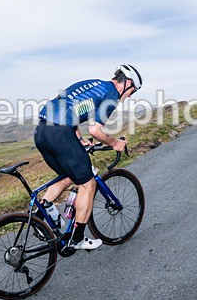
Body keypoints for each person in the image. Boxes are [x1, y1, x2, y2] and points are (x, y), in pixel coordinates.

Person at [34, 64, 142, 250]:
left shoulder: (93, 84)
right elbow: (96, 130)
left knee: (67, 176)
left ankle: (41, 213)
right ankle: (77, 239)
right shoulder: (111, 96)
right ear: (128, 83)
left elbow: (70, 108)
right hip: (60, 134)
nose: (131, 95)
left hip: (42, 132)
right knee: (88, 184)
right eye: (133, 90)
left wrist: (80, 140)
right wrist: (114, 143)